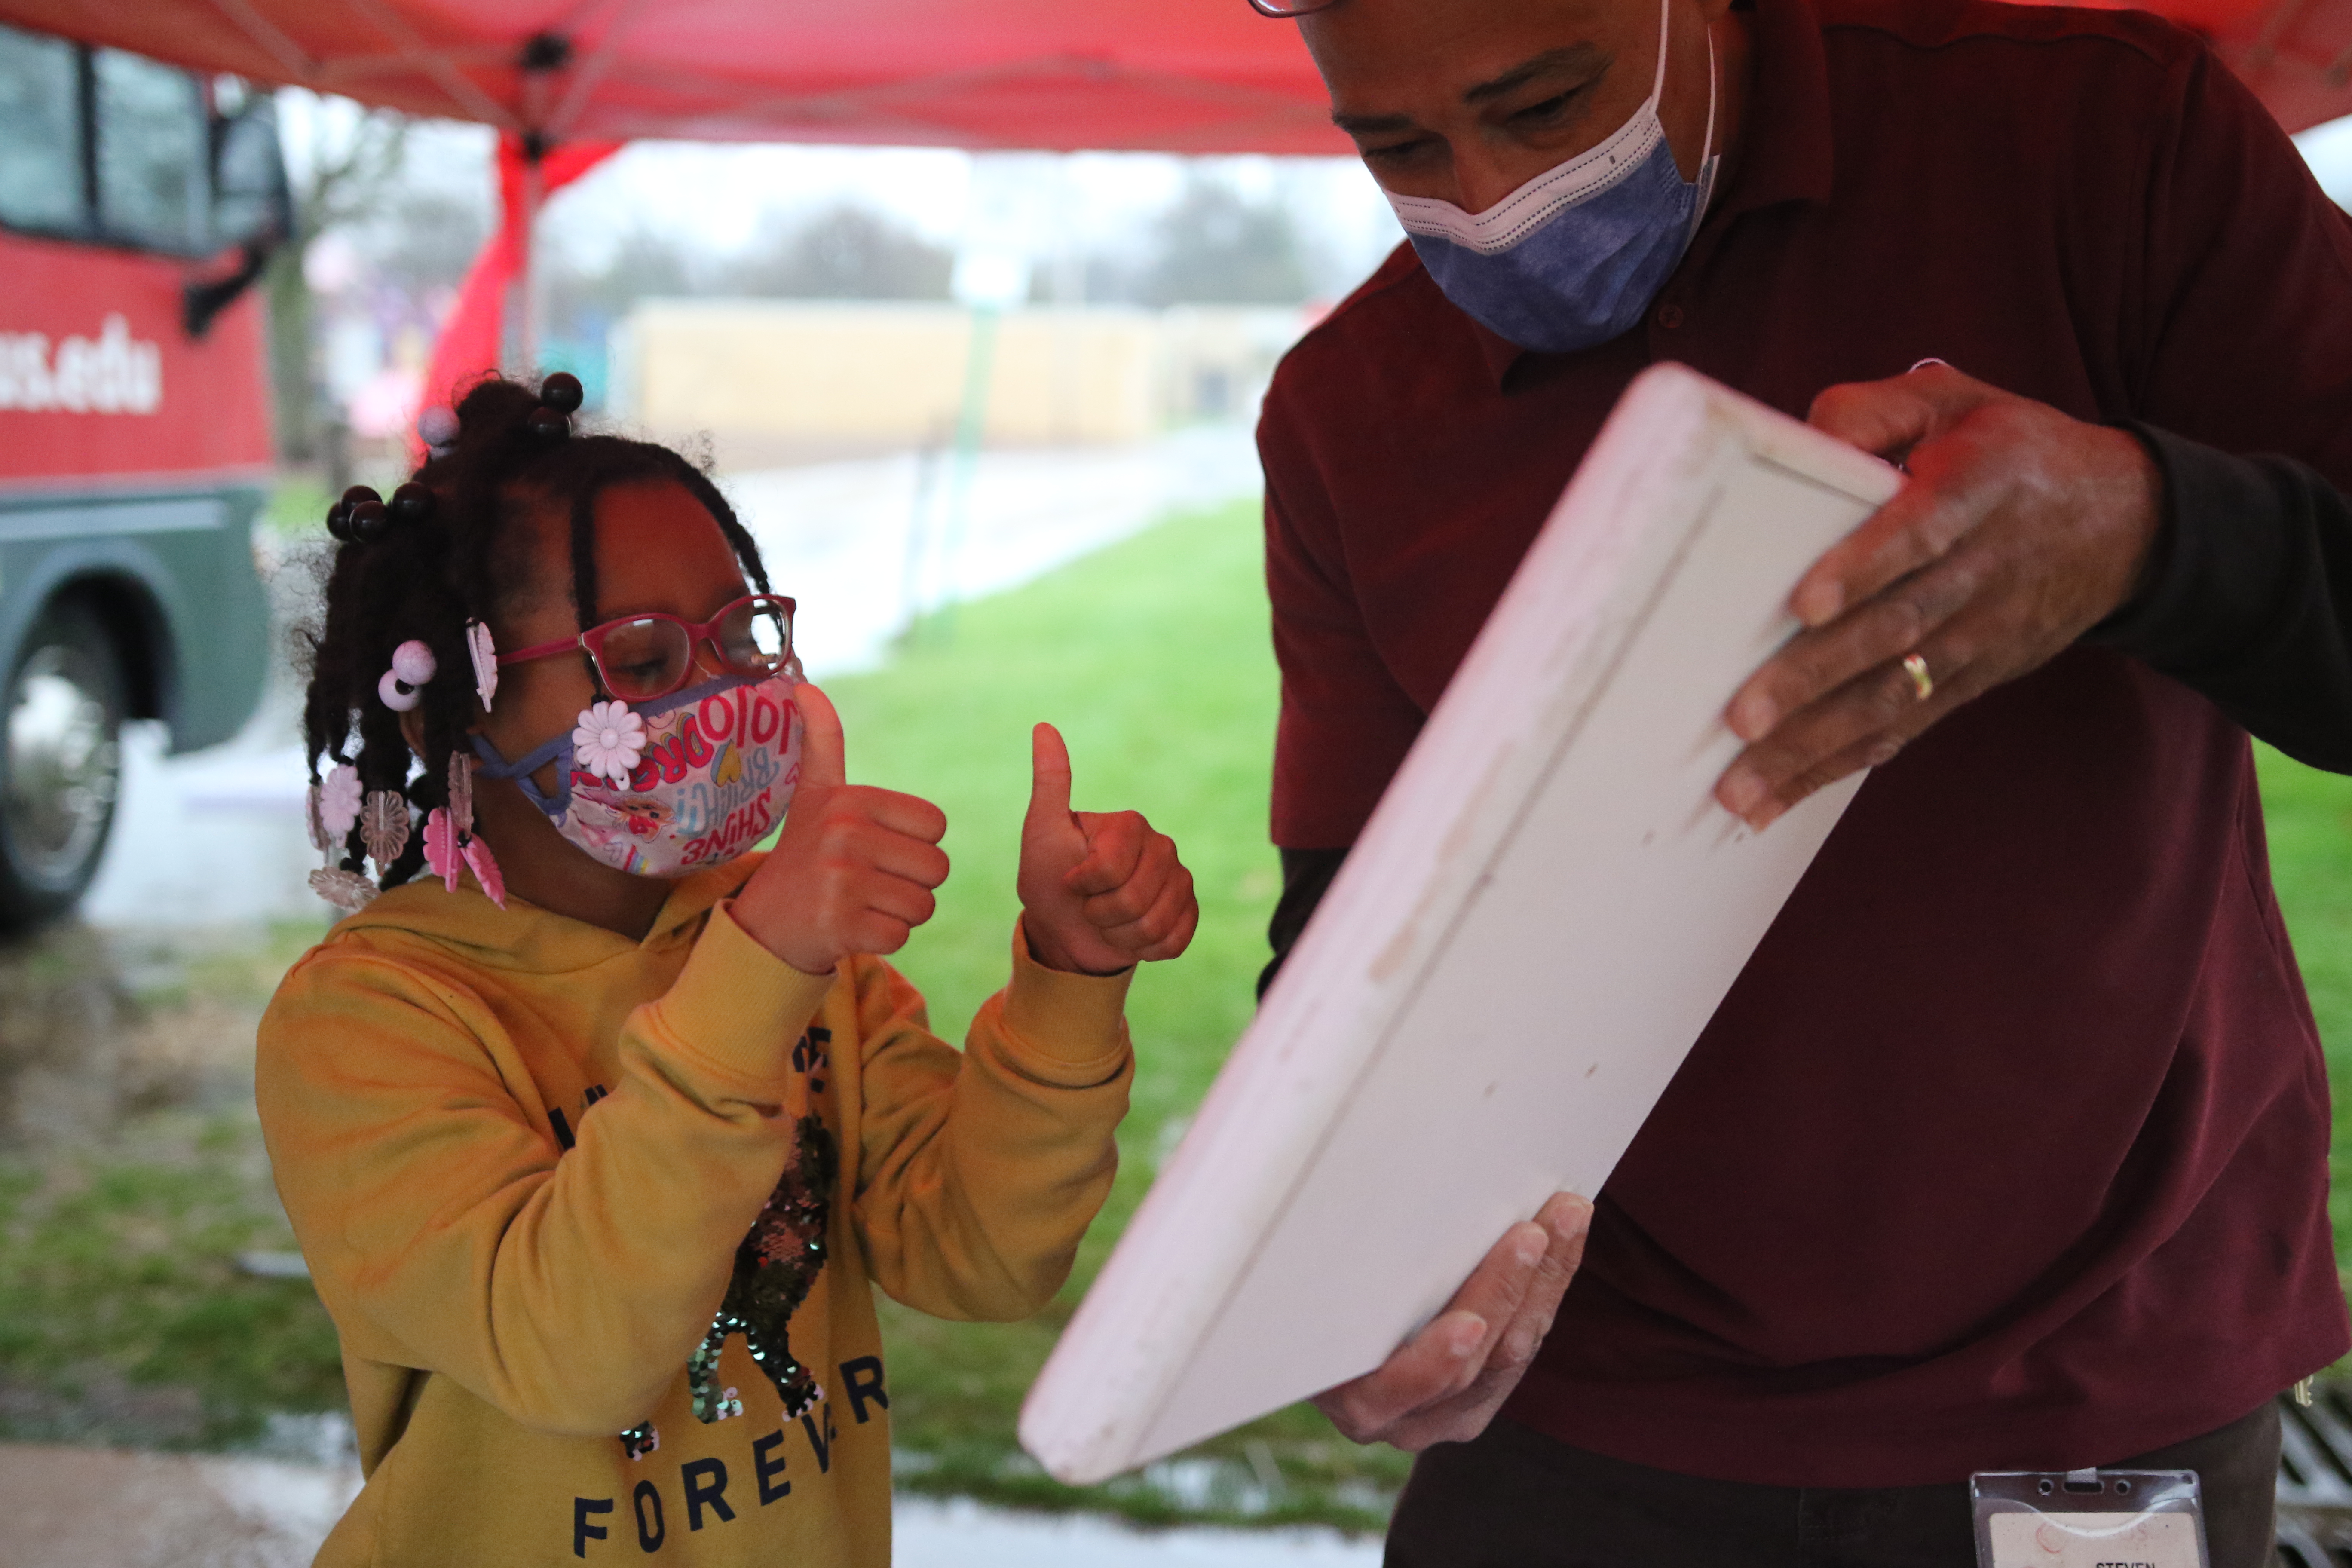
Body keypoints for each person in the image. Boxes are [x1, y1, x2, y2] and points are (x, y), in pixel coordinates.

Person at [1245, 0, 2352, 1561]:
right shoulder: (1349, 409)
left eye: (1551, 103)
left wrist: (2147, 530)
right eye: (1401, 150)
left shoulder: (2097, 139)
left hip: (2093, 1391)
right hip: (1587, 1403)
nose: (1491, 201)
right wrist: (1353, 1270)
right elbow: (1352, 936)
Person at [255, 374, 1198, 1567]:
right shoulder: (367, 1022)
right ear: (453, 713)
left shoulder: (790, 948)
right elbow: (571, 1350)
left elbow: (981, 1256)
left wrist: (1070, 973)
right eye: (643, 662)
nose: (723, 696)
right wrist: (762, 966)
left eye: (739, 638)